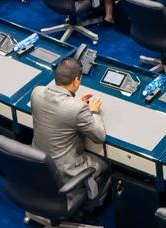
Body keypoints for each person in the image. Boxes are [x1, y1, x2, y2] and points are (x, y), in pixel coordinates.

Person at [31, 57, 110, 199]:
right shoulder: (77, 108)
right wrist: (93, 111)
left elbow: (57, 110)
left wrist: (74, 102)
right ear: (76, 80)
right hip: (66, 173)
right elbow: (99, 137)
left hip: (39, 164)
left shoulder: (36, 92)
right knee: (106, 163)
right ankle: (92, 202)